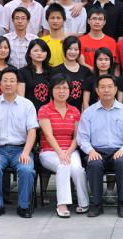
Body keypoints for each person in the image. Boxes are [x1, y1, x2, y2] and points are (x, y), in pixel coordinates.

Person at [77, 74, 123, 218]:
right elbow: (82, 138)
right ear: (97, 91)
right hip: (96, 151)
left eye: (110, 87)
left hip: (119, 150)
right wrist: (90, 151)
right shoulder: (89, 112)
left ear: (116, 89)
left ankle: (122, 204)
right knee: (94, 163)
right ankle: (97, 204)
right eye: (103, 87)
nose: (106, 90)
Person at [0, 69, 38, 218]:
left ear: (17, 84)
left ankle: (23, 206)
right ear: (0, 84)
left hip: (20, 149)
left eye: (12, 80)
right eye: (5, 80)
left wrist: (26, 152)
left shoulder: (27, 105)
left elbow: (32, 131)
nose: (8, 83)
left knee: (27, 170)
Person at [38, 75, 89, 218]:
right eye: (58, 88)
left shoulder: (75, 111)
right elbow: (48, 135)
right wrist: (61, 153)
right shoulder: (44, 110)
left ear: (70, 91)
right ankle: (62, 204)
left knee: (78, 169)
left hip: (70, 150)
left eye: (65, 88)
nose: (62, 91)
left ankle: (84, 202)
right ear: (51, 90)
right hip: (49, 151)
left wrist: (68, 152)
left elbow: (76, 137)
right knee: (63, 166)